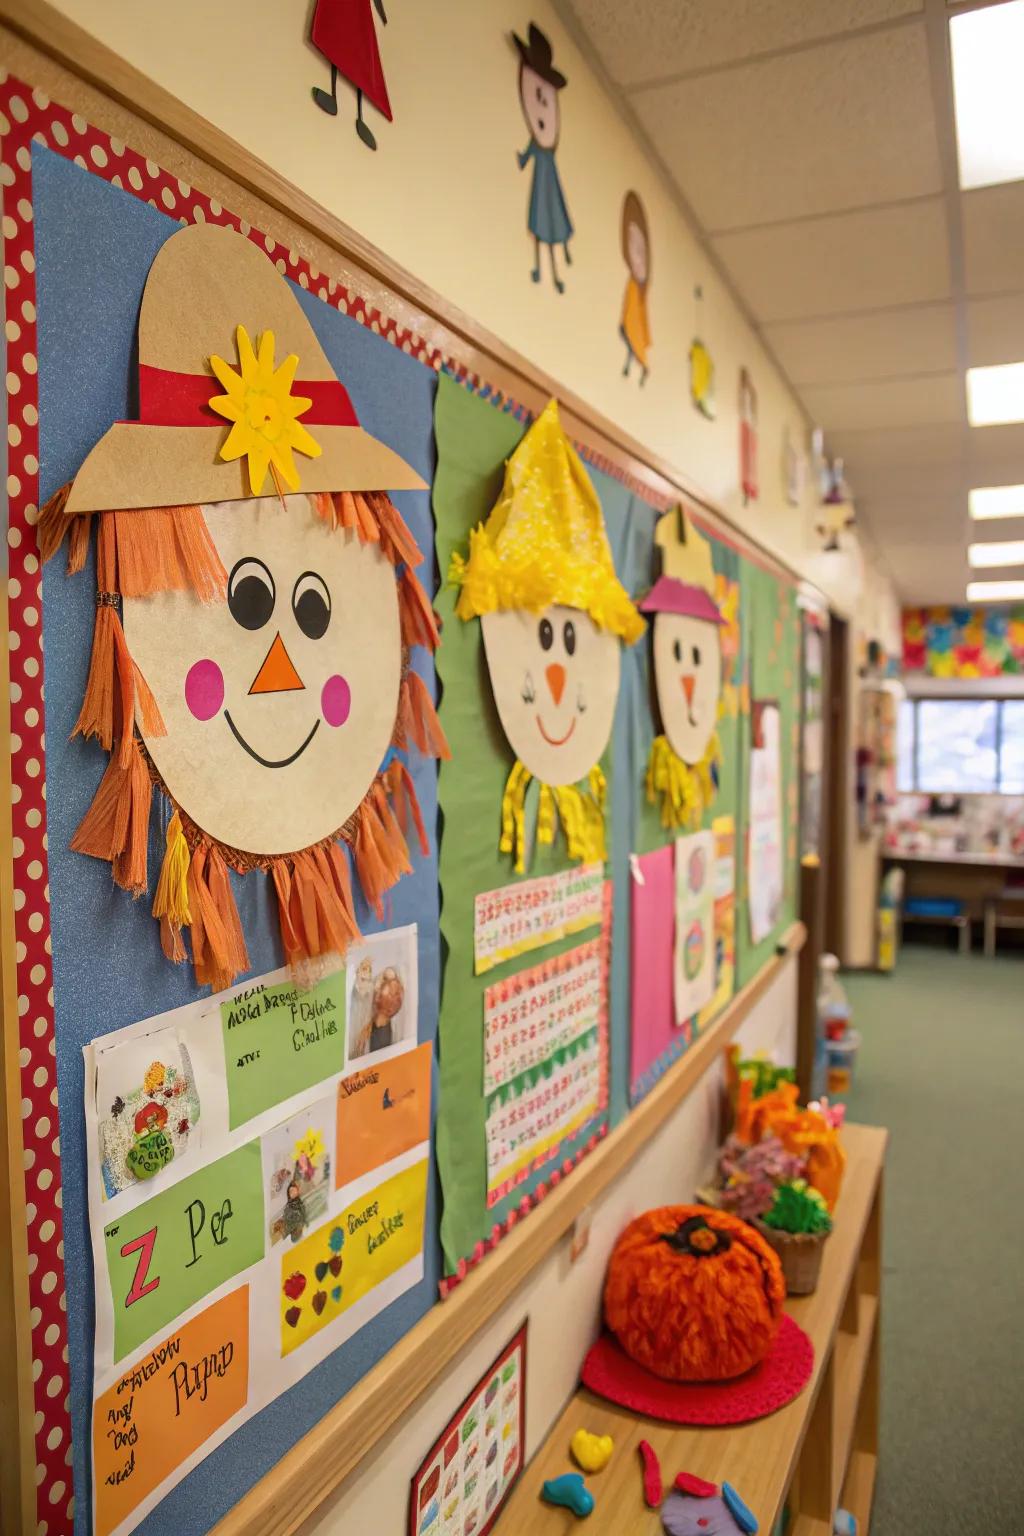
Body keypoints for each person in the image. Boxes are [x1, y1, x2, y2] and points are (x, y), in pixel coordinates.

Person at [513, 24, 573, 293]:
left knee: (551, 219)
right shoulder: (539, 145)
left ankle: (559, 262)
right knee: (540, 222)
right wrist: (523, 158)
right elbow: (528, 152)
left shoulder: (547, 149)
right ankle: (542, 266)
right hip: (541, 183)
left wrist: (524, 158)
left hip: (548, 182)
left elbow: (529, 153)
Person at [309, 0, 392, 151]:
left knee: (362, 65)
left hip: (361, 22)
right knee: (338, 44)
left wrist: (380, 14)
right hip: (348, 15)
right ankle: (334, 99)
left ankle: (360, 118)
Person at [620, 192, 651, 384]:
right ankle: (637, 365)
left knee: (632, 333)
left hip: (636, 296)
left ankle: (640, 367)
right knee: (627, 331)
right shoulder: (632, 290)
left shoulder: (638, 294)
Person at [282, 1179, 307, 1244]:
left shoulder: (301, 1204)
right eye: (290, 1191)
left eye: (294, 1190)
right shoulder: (288, 1207)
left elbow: (304, 1216)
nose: (292, 1193)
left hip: (300, 1230)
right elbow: (286, 1221)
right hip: (293, 1233)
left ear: (297, 1191)